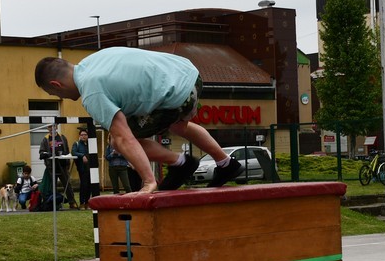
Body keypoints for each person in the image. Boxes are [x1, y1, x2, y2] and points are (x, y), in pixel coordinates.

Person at [35, 47, 243, 193]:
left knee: (116, 141)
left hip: (177, 94)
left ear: (56, 84)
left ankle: (180, 163)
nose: (60, 98)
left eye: (55, 95)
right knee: (179, 126)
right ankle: (226, 163)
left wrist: (148, 183)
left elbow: (124, 138)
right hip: (189, 75)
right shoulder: (92, 61)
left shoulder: (91, 91)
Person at [39, 124, 75, 208]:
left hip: (62, 166)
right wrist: (47, 155)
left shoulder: (62, 137)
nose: (52, 128)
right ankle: (55, 204)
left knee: (67, 184)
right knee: (52, 186)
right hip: (51, 166)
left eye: (53, 126)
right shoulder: (45, 139)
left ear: (56, 127)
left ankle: (71, 202)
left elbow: (67, 151)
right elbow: (41, 151)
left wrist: (67, 162)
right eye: (49, 127)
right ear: (47, 128)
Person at [70, 127, 93, 208]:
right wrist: (82, 155)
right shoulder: (76, 144)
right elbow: (73, 152)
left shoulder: (90, 144)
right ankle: (82, 203)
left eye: (85, 135)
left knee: (90, 185)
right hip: (82, 168)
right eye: (82, 135)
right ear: (79, 136)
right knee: (84, 185)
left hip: (91, 168)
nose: (84, 136)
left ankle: (87, 202)